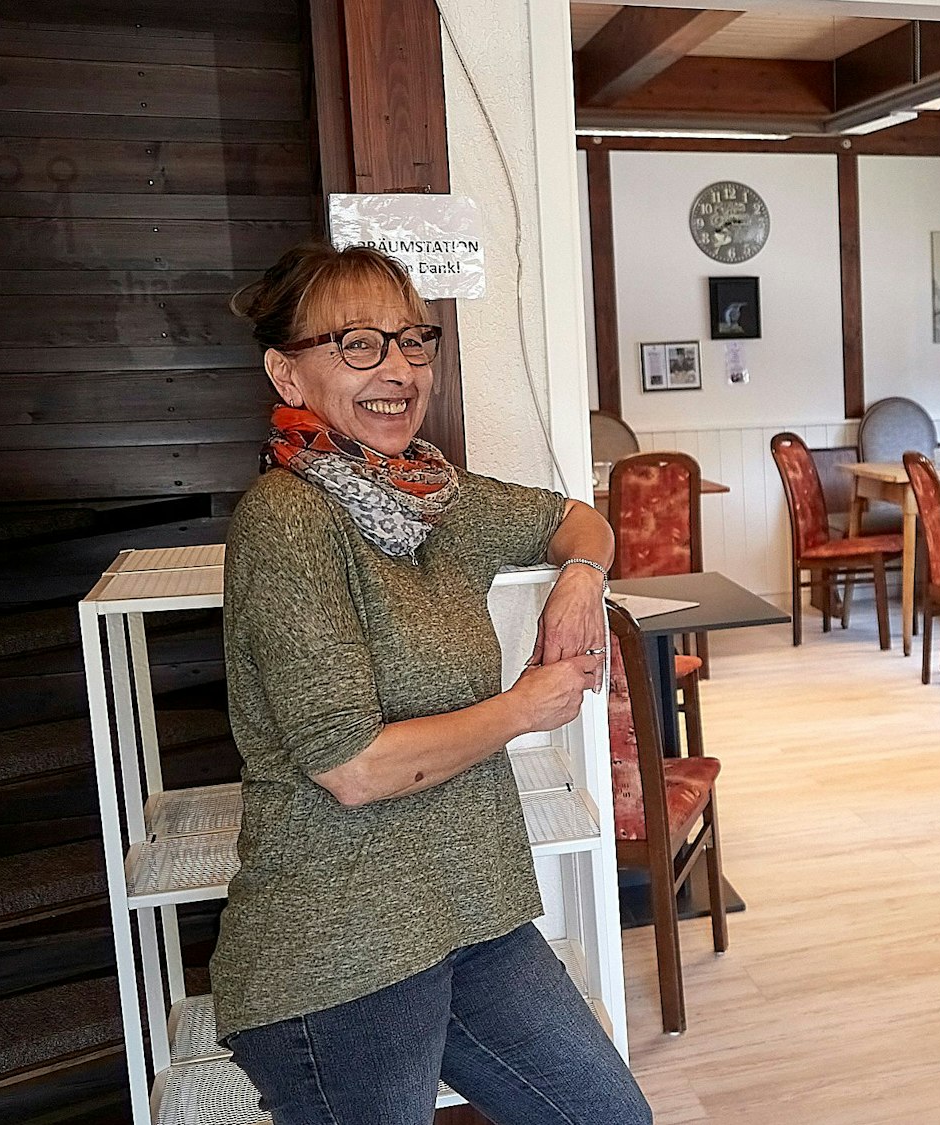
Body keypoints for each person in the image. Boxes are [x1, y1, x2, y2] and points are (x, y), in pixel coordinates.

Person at [216, 243, 651, 1124]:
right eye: (358, 344)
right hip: (344, 948)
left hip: (470, 918)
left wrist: (580, 579)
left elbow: (577, 519)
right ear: (284, 372)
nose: (400, 369)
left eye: (414, 341)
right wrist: (526, 708)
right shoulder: (289, 522)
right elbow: (354, 767)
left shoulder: (434, 497)